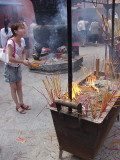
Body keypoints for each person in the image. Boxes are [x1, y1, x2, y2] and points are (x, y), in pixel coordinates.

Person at [4, 21, 31, 114]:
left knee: (19, 86)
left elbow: (23, 51)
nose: (24, 30)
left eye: (24, 28)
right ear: (15, 31)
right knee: (13, 87)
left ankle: (22, 103)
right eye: (21, 28)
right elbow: (10, 58)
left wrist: (24, 59)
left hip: (18, 66)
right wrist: (22, 61)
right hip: (10, 67)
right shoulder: (10, 42)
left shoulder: (22, 40)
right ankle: (17, 106)